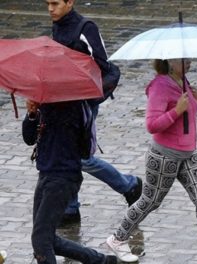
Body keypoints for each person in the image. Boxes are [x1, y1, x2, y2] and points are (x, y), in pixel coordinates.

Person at [105, 58, 197, 263]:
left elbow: (187, 121)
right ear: (169, 62)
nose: (188, 62)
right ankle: (117, 239)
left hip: (188, 153)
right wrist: (176, 110)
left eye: (189, 58)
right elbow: (152, 125)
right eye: (183, 59)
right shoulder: (160, 86)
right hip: (165, 155)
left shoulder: (183, 82)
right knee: (151, 201)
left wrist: (194, 102)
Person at [45, 0, 142, 225]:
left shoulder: (85, 28)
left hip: (84, 103)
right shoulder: (57, 25)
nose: (50, 8)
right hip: (63, 102)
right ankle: (70, 208)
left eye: (55, 3)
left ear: (70, 2)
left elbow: (104, 66)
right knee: (68, 154)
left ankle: (129, 185)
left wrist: (88, 98)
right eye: (47, 3)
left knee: (81, 158)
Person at [22, 94, 116, 263]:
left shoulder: (72, 106)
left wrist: (46, 109)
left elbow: (81, 144)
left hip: (63, 178)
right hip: (45, 174)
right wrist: (32, 114)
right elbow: (29, 138)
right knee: (50, 240)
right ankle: (101, 261)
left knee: (41, 240)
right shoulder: (45, 104)